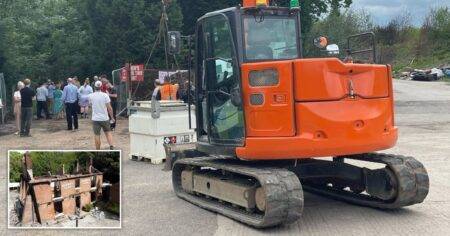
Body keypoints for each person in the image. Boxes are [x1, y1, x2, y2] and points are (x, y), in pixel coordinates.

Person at [88, 81, 115, 150]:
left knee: (97, 135)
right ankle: (111, 146)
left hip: (95, 119)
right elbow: (109, 108)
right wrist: (112, 117)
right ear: (101, 87)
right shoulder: (105, 95)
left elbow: (90, 105)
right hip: (105, 118)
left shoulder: (90, 96)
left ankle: (98, 150)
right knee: (108, 132)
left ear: (94, 87)